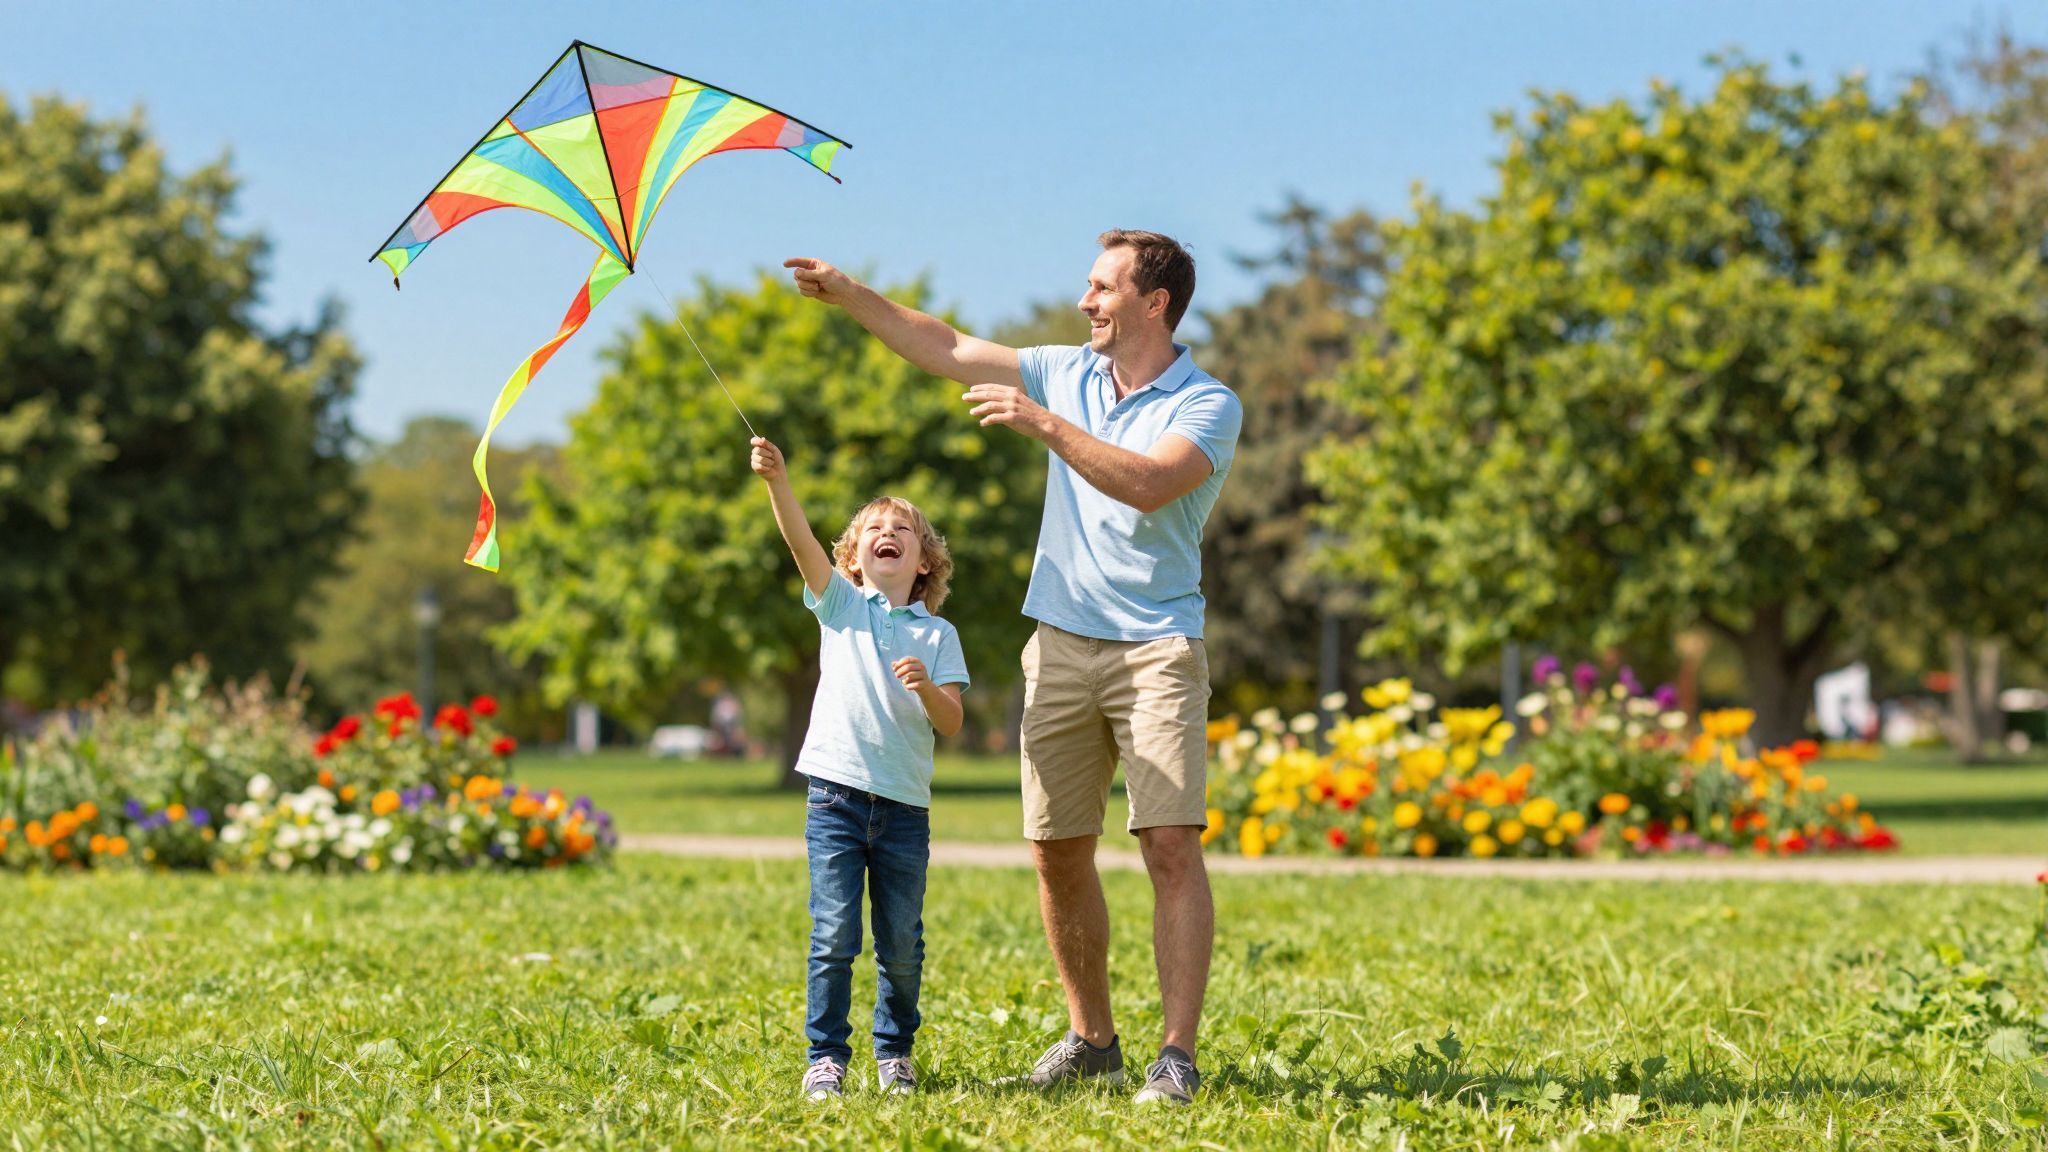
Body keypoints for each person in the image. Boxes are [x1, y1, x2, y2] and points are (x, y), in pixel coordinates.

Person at [785, 230, 1241, 1105]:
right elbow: (946, 345)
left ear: (1156, 303)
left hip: (1156, 646)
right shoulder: (1068, 368)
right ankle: (1093, 1039)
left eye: (1103, 288)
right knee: (1056, 850)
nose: (1085, 302)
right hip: (1061, 641)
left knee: (1170, 846)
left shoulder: (1207, 403)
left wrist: (1042, 423)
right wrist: (852, 295)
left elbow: (1149, 483)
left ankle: (1176, 1058)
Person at [749, 435, 971, 1100]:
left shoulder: (938, 635)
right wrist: (777, 482)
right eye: (874, 528)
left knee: (901, 942)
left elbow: (953, 721)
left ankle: (894, 1052)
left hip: (904, 809)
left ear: (924, 561)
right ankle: (825, 1057)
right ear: (853, 556)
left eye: (902, 528)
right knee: (833, 934)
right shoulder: (841, 606)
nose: (887, 533)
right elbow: (798, 542)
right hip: (836, 800)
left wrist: (925, 688)